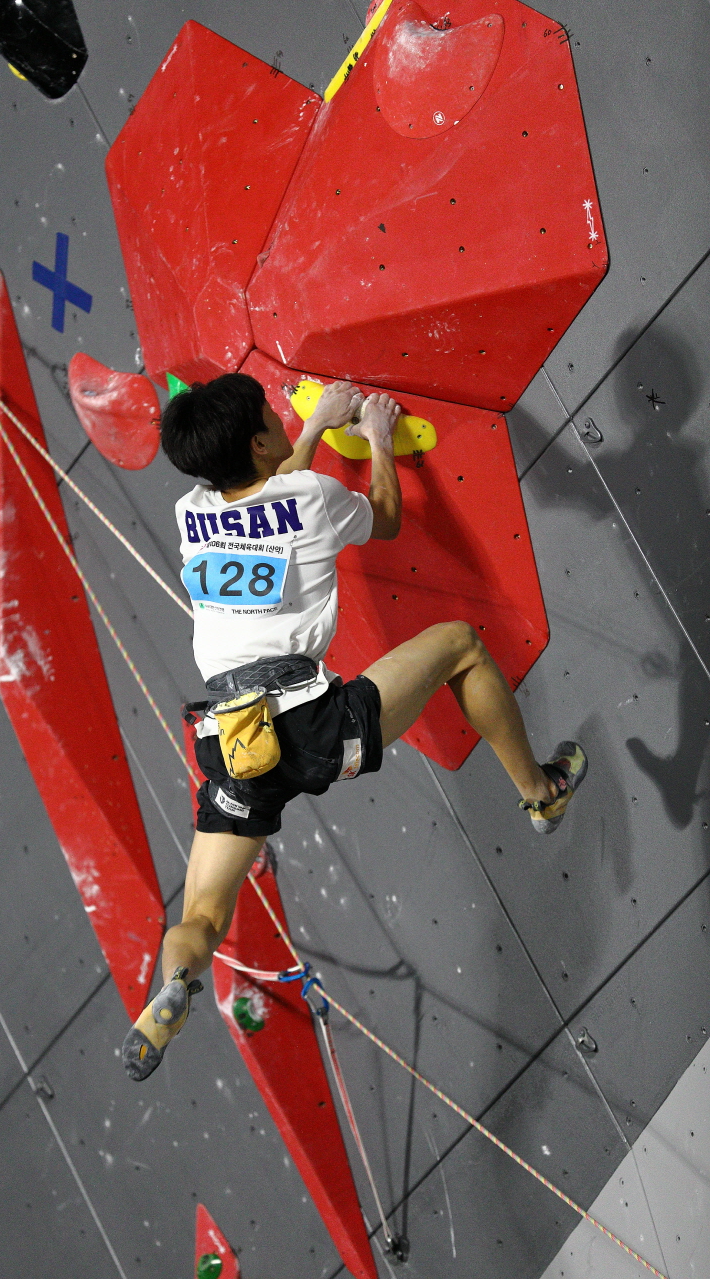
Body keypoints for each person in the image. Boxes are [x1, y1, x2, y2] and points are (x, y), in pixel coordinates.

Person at [122, 373, 587, 1081]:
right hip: (307, 722)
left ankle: (175, 984)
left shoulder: (193, 512)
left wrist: (312, 430)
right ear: (259, 443)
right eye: (274, 416)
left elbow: (271, 499)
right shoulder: (311, 497)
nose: (282, 416)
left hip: (231, 743)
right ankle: (541, 792)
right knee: (460, 644)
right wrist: (374, 435)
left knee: (202, 917)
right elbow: (383, 515)